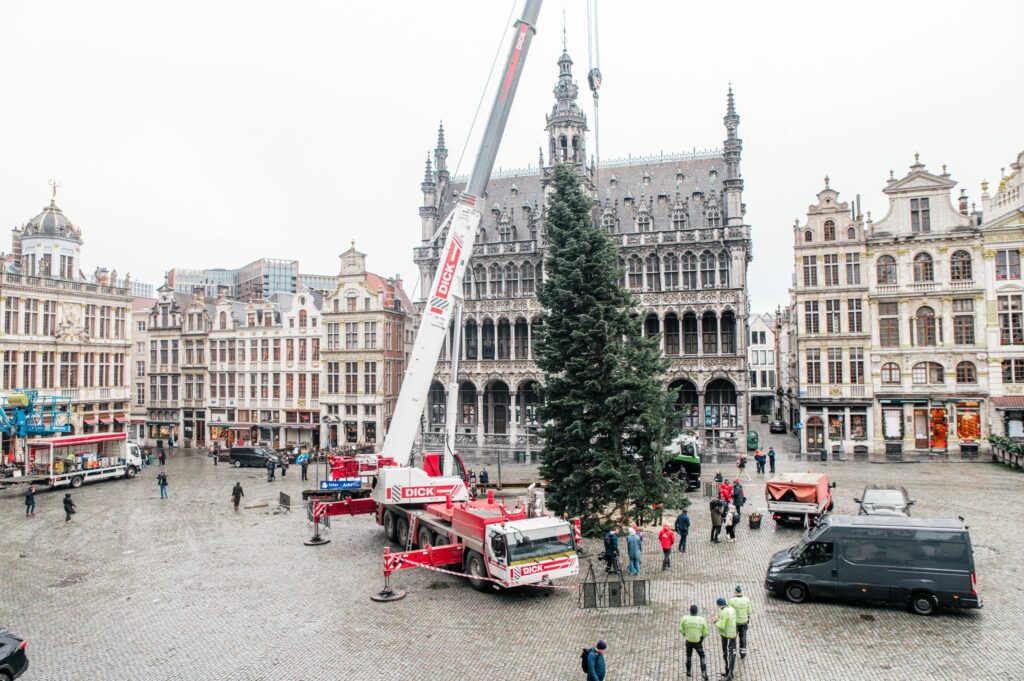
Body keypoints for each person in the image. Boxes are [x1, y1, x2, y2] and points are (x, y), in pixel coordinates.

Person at [679, 604, 709, 681]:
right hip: (697, 642)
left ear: (690, 611)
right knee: (702, 656)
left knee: (688, 655)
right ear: (697, 611)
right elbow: (706, 632)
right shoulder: (701, 620)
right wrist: (701, 638)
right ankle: (704, 672)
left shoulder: (685, 618)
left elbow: (681, 629)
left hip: (688, 641)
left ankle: (688, 671)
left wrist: (685, 635)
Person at [713, 596, 738, 680]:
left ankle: (729, 675)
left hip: (727, 636)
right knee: (731, 654)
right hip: (733, 635)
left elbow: (722, 626)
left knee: (727, 655)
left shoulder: (724, 612)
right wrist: (719, 618)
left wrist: (715, 622)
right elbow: (727, 620)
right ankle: (729, 672)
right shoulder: (731, 609)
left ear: (720, 605)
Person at [729, 585, 753, 658]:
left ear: (735, 592)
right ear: (741, 591)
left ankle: (733, 652)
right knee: (743, 637)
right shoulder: (747, 600)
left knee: (733, 637)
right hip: (744, 622)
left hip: (735, 623)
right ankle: (743, 653)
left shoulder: (732, 600)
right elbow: (749, 611)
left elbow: (730, 612)